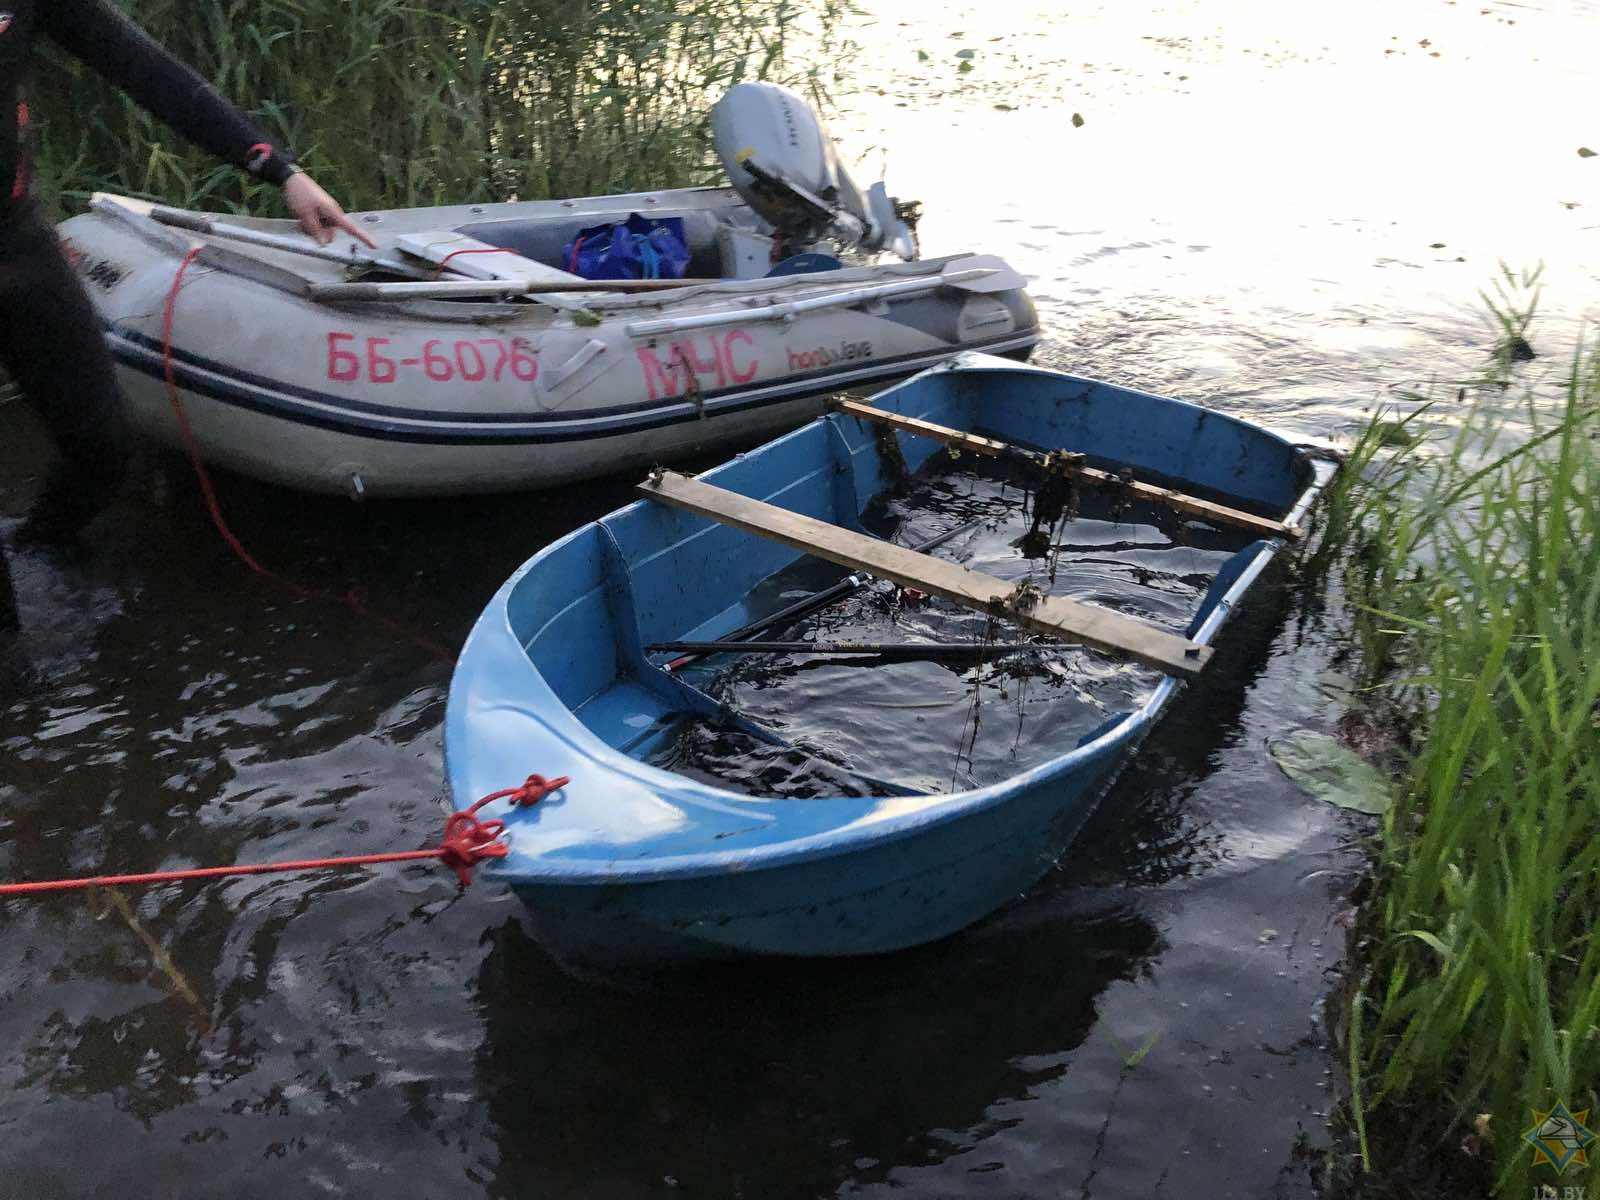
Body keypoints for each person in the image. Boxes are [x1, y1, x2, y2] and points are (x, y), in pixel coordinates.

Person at [0, 0, 375, 549]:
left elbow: (142, 67)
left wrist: (279, 169)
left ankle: (34, 553)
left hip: (14, 234)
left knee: (102, 448)